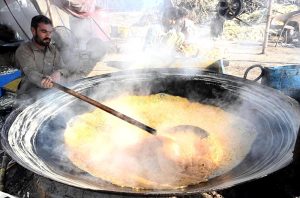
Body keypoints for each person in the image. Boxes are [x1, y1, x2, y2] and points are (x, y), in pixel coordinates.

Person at [15, 15, 69, 101]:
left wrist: (59, 72)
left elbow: (64, 69)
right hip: (28, 94)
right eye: (44, 31)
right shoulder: (24, 50)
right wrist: (44, 80)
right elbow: (30, 72)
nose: (48, 36)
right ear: (33, 31)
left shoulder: (53, 49)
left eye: (50, 32)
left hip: (50, 93)